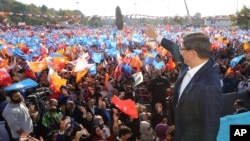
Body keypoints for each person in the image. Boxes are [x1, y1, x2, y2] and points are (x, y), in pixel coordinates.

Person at [146, 24, 223, 141]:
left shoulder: (209, 86)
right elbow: (174, 48)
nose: (180, 52)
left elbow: (210, 129)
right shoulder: (191, 63)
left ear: (192, 54)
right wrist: (156, 36)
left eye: (182, 49)